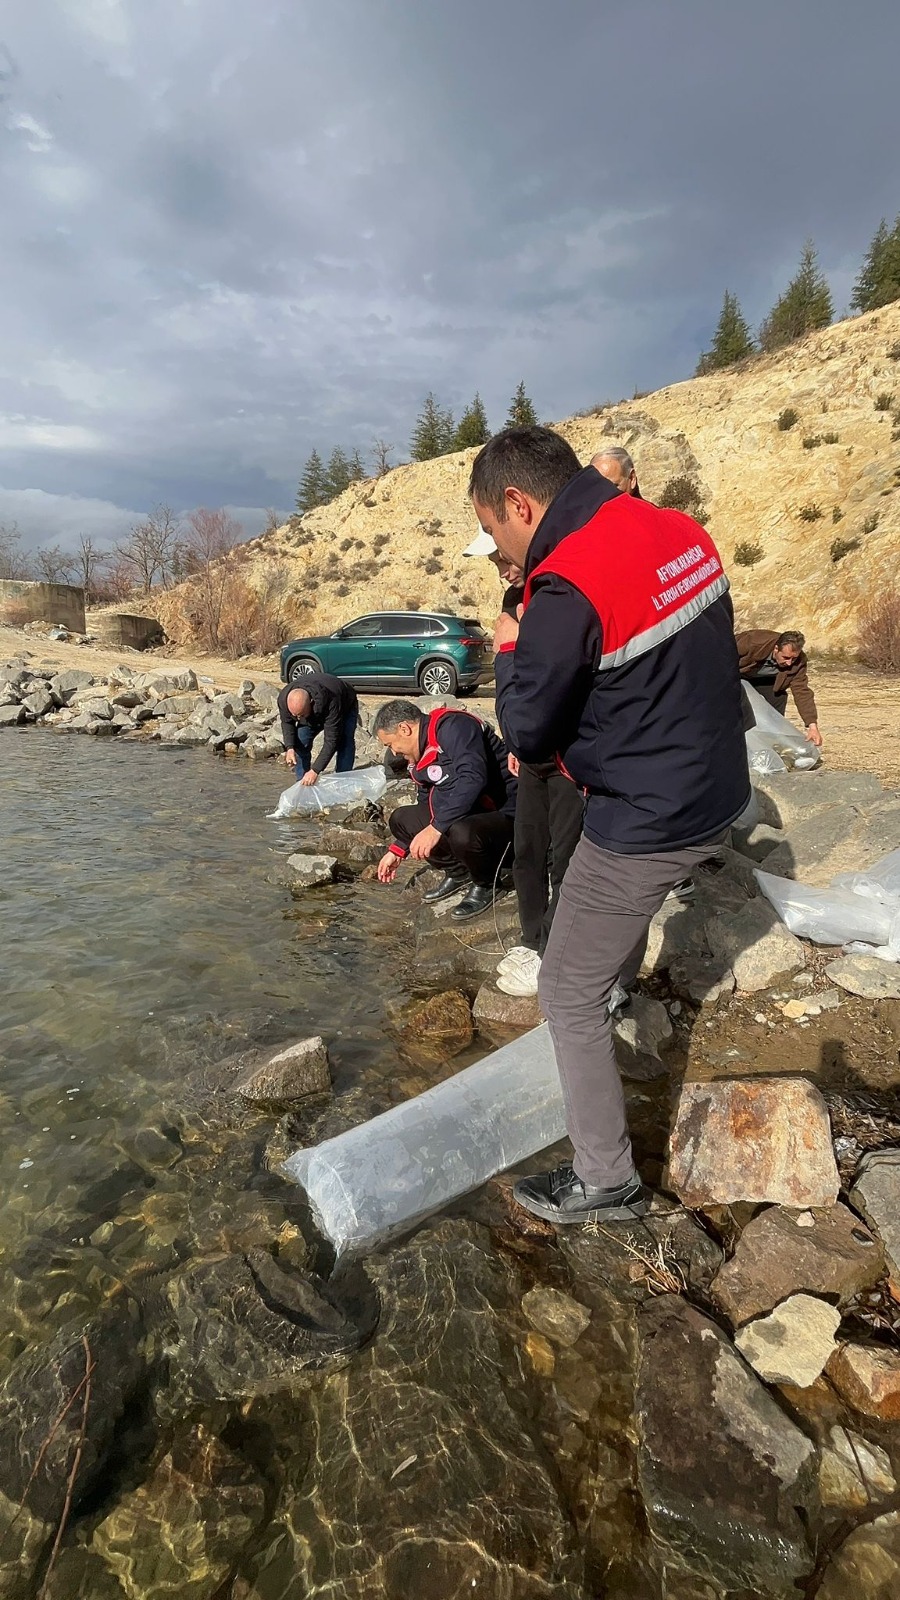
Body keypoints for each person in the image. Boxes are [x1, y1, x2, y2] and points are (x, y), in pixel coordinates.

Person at [469, 426, 750, 1225]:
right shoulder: (674, 528)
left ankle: (605, 1180)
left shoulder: (565, 585)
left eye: (493, 529)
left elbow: (528, 734)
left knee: (563, 989)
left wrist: (510, 651)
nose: (501, 548)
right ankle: (618, 988)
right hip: (719, 783)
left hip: (651, 810)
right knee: (601, 919)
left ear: (519, 504)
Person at [462, 529, 584, 997]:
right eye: (495, 564)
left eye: (503, 560)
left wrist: (507, 651)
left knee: (566, 858)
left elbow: (552, 679)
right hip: (531, 753)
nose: (502, 572)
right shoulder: (516, 598)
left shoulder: (560, 591)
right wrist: (516, 744)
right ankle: (531, 940)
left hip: (570, 758)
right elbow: (521, 693)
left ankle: (555, 951)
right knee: (528, 852)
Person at [374, 698, 516, 921]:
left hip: (505, 815)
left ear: (404, 729)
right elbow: (427, 800)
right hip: (472, 814)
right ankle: (460, 872)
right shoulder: (419, 753)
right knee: (402, 819)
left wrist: (436, 828)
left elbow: (473, 778)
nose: (393, 752)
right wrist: (400, 848)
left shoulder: (455, 727)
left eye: (390, 744)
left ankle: (487, 884)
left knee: (460, 831)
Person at [735, 628, 823, 747]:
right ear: (776, 649)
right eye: (786, 657)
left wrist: (812, 726)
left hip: (765, 681)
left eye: (793, 658)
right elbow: (720, 655)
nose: (789, 663)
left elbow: (802, 691)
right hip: (736, 676)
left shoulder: (799, 661)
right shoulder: (752, 643)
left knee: (779, 697)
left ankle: (771, 739)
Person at [277, 673, 359, 787]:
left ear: (311, 702)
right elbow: (287, 723)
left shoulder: (332, 702)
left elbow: (331, 740)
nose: (298, 719)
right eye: (295, 716)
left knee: (345, 741)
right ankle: (302, 782)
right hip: (313, 709)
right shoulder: (283, 699)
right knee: (300, 742)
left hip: (345, 704)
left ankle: (342, 781)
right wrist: (290, 747)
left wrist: (315, 770)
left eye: (301, 715)